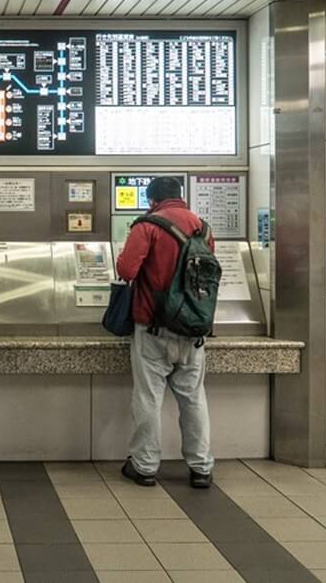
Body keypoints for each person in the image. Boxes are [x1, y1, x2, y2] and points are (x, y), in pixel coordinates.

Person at [115, 176, 215, 489]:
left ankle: (145, 467)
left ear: (152, 199)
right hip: (193, 328)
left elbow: (127, 270)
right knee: (194, 399)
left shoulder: (147, 226)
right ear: (180, 196)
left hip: (154, 327)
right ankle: (201, 467)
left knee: (147, 397)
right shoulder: (203, 228)